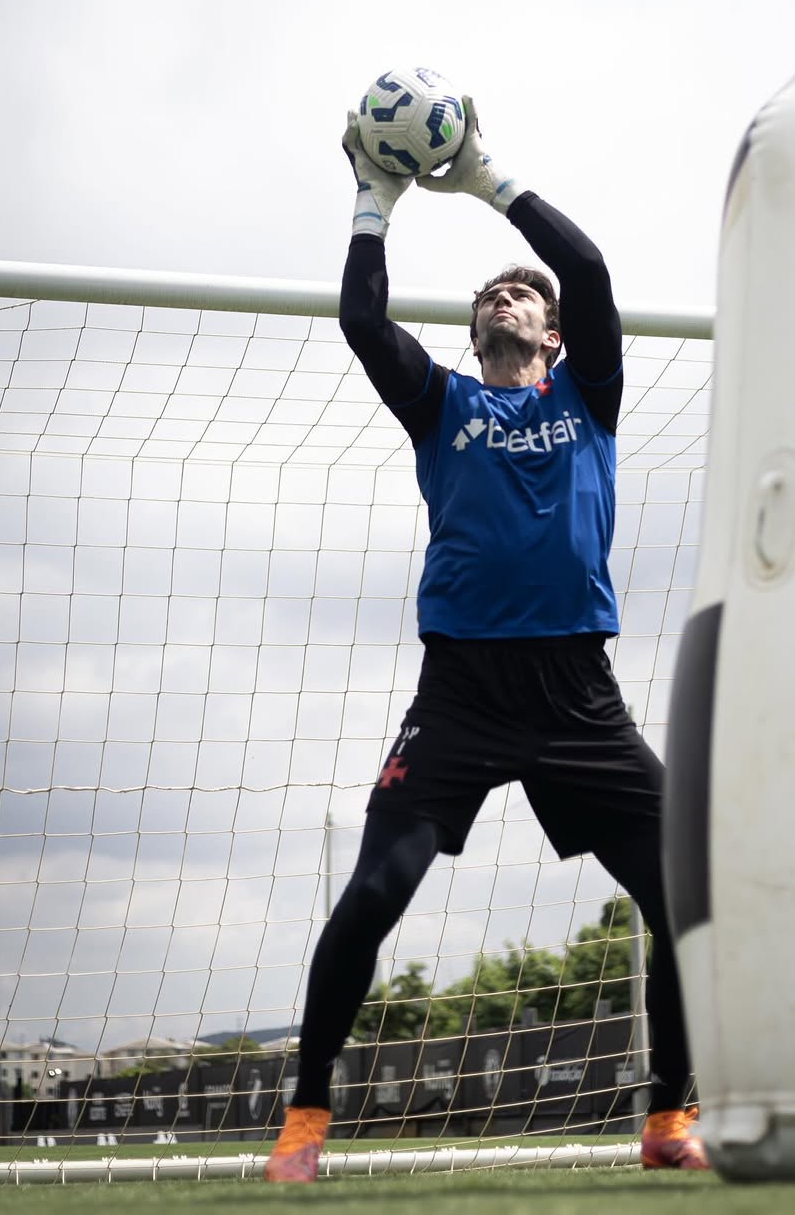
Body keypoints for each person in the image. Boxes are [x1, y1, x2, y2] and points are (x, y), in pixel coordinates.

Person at [264, 96, 706, 1182]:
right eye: (491, 298)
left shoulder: (590, 395)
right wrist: (373, 202)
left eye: (524, 296)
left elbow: (588, 269)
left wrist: (484, 179)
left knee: (690, 896)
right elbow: (363, 322)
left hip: (578, 695)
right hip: (461, 693)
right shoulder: (442, 404)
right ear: (475, 336)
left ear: (553, 335)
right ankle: (306, 1120)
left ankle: (668, 1119)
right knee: (375, 893)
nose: (508, 300)